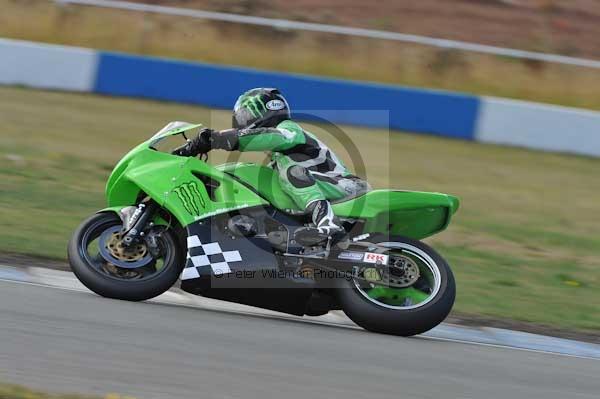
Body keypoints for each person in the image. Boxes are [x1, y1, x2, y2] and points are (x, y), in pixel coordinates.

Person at [178, 87, 370, 242]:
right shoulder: (279, 158)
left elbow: (275, 138)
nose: (241, 121)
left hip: (347, 187)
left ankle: (328, 224)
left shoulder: (288, 129)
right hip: (328, 187)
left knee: (292, 171)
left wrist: (219, 138)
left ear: (261, 112)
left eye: (245, 115)